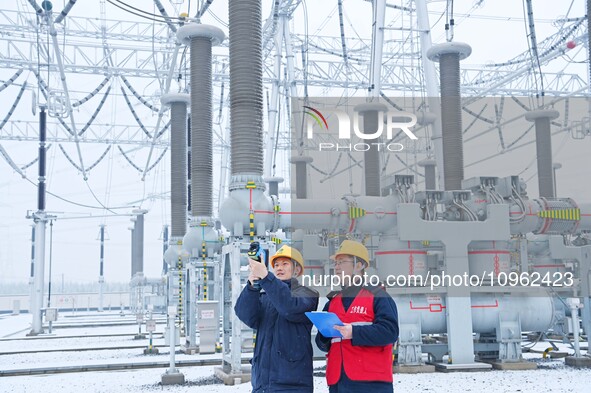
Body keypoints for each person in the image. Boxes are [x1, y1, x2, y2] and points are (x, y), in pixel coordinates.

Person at [315, 240, 399, 393]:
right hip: (338, 382)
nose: (337, 267)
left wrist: (353, 332)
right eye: (335, 263)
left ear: (359, 265)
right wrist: (324, 335)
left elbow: (390, 332)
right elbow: (323, 344)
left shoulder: (379, 296)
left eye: (342, 262)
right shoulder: (332, 302)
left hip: (371, 383)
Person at [235, 244, 319, 393]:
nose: (279, 268)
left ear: (297, 270)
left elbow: (289, 307)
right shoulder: (266, 295)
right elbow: (245, 315)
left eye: (285, 264)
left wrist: (267, 278)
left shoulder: (308, 294)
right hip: (262, 383)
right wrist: (252, 286)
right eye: (276, 265)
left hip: (292, 385)